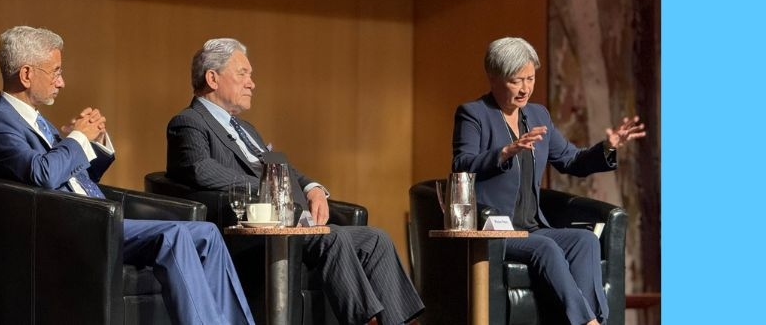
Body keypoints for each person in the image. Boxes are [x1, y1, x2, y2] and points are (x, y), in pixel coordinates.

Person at [0, 26, 255, 325]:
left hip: (94, 218)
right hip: (72, 231)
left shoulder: (34, 119)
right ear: (26, 74)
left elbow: (72, 177)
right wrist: (76, 139)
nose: (61, 82)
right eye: (55, 71)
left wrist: (89, 143)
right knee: (175, 236)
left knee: (207, 232)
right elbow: (43, 175)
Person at [166, 38, 425, 325]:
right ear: (212, 78)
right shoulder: (189, 122)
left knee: (376, 239)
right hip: (248, 234)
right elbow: (200, 170)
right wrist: (270, 189)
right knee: (334, 237)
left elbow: (282, 168)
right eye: (243, 74)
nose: (252, 83)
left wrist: (312, 187)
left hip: (292, 227)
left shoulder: (246, 128)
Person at [452, 36, 646, 325]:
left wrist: (607, 147)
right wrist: (505, 152)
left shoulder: (537, 114)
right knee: (546, 248)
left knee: (585, 241)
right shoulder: (474, 114)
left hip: (532, 227)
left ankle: (598, 320)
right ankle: (587, 324)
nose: (525, 88)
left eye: (530, 78)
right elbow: (461, 165)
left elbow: (571, 160)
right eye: (517, 80)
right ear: (494, 78)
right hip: (492, 231)